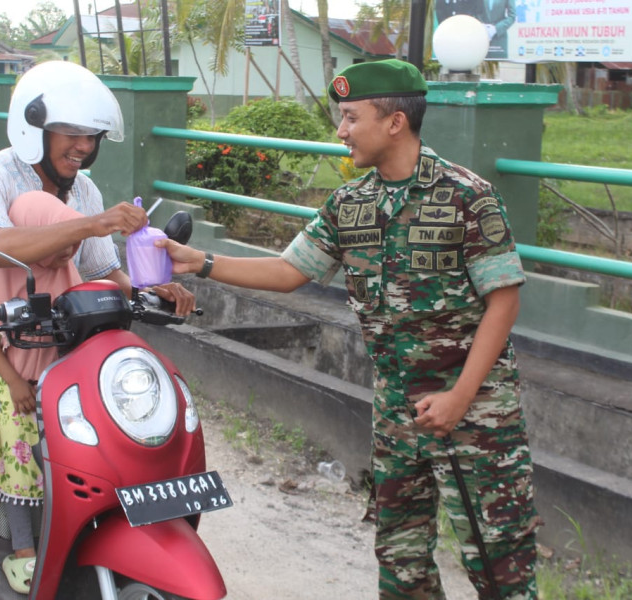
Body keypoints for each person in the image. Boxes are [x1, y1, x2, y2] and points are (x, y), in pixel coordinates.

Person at [158, 59, 541, 599]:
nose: (341, 131)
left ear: (395, 122)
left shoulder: (465, 196)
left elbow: (504, 300)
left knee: (499, 563)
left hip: (475, 414)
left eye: (351, 117)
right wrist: (200, 262)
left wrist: (460, 396)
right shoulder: (350, 203)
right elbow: (290, 271)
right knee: (401, 560)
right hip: (398, 412)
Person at [0, 61, 195, 599]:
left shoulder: (84, 191)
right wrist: (93, 223)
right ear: (33, 126)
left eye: (92, 136)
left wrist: (152, 290)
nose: (83, 146)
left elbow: (104, 268)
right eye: (72, 133)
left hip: (58, 350)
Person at [0, 191, 84, 594]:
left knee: (66, 463)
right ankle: (23, 548)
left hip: (60, 388)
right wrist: (14, 381)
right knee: (20, 466)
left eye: (72, 240)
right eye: (58, 239)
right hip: (19, 388)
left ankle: (66, 539)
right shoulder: (10, 272)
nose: (67, 250)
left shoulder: (68, 271)